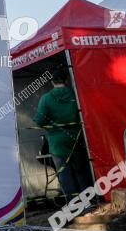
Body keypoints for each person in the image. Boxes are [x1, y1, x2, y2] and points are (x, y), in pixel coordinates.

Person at [34, 67, 93, 200]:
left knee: (64, 172)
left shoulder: (46, 98)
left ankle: (73, 205)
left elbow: (39, 121)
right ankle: (89, 200)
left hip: (57, 142)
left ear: (52, 82)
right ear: (66, 80)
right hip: (77, 139)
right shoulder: (75, 94)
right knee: (82, 170)